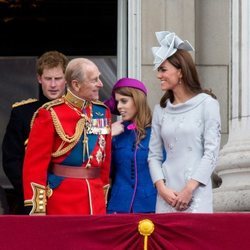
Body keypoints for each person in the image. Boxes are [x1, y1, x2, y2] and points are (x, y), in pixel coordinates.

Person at [22, 58, 112, 215]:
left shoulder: (101, 112)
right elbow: (34, 166)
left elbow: (104, 157)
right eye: (94, 80)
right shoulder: (50, 113)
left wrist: (102, 195)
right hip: (62, 202)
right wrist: (38, 208)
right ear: (76, 85)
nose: (100, 84)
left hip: (96, 200)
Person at [148, 31, 221, 213]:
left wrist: (189, 189)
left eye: (163, 69)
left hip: (196, 195)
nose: (159, 75)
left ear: (180, 71)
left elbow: (211, 152)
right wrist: (161, 189)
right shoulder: (160, 110)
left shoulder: (208, 104)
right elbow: (154, 156)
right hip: (166, 197)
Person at [2, 50, 68, 214]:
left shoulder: (79, 112)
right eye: (48, 79)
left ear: (66, 79)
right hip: (33, 198)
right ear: (39, 79)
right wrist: (31, 193)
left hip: (69, 197)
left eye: (58, 79)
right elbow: (11, 160)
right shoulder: (22, 113)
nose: (53, 85)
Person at [105, 77, 157, 213]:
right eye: (117, 102)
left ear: (138, 100)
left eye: (124, 101)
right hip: (118, 207)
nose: (119, 107)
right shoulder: (116, 133)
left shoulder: (157, 133)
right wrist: (107, 137)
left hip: (150, 207)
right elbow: (105, 171)